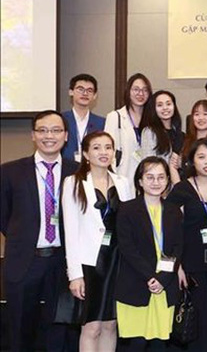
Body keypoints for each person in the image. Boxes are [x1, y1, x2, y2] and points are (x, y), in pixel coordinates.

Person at [1, 110, 77, 351]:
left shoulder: (77, 172)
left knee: (59, 328)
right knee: (20, 329)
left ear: (66, 136)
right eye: (42, 130)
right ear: (33, 135)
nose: (49, 136)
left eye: (56, 130)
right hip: (25, 261)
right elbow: (4, 216)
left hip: (63, 264)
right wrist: (21, 239)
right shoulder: (9, 171)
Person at [62, 131, 134, 351]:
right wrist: (75, 274)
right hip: (91, 263)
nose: (103, 152)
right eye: (96, 147)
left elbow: (130, 225)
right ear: (85, 153)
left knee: (111, 325)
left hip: (117, 260)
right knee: (91, 327)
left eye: (108, 147)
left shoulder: (123, 182)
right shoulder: (73, 182)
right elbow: (70, 231)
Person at [166, 139, 207, 352]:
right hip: (192, 263)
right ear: (192, 161)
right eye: (201, 157)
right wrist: (177, 267)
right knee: (199, 320)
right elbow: (169, 233)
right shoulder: (181, 190)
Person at [115, 157, 183, 350]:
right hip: (136, 283)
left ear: (167, 181)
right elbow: (127, 248)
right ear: (140, 181)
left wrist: (162, 277)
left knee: (160, 343)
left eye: (161, 177)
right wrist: (151, 276)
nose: (156, 182)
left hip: (164, 285)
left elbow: (177, 247)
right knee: (136, 343)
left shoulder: (174, 211)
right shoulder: (127, 210)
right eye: (150, 177)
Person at [104, 73, 152, 183]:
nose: (140, 93)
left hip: (147, 180)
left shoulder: (152, 120)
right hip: (122, 176)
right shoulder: (115, 117)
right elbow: (108, 151)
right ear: (128, 91)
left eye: (145, 90)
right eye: (136, 89)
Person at [139, 90, 184, 184]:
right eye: (160, 105)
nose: (165, 108)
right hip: (158, 185)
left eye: (168, 104)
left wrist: (181, 163)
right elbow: (148, 164)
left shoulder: (180, 133)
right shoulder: (149, 132)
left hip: (179, 184)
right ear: (154, 109)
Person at [62, 73, 106, 162]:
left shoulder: (102, 123)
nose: (85, 93)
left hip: (93, 169)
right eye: (80, 89)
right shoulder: (61, 120)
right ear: (71, 91)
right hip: (65, 169)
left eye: (89, 90)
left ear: (95, 95)